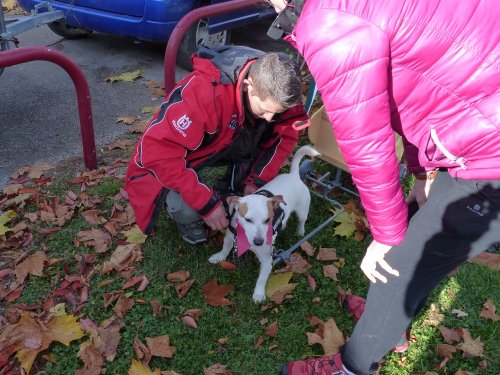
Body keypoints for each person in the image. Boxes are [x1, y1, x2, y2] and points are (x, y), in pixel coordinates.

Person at [265, 1, 500, 374]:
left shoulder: (332, 22)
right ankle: (389, 322)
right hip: (478, 120)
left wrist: (389, 237)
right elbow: (417, 94)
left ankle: (352, 367)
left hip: (490, 151)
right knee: (416, 242)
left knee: (396, 267)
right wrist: (422, 175)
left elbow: (367, 142)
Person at [125, 46, 307, 244]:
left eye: (276, 113)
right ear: (249, 85)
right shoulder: (204, 94)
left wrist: (257, 180)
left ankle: (231, 186)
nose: (270, 118)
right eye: (264, 111)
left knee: (251, 186)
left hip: (232, 141)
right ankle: (188, 218)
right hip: (193, 151)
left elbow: (285, 137)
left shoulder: (283, 88)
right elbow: (156, 153)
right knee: (187, 209)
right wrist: (205, 204)